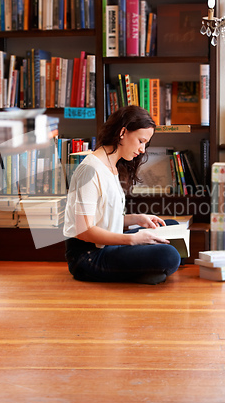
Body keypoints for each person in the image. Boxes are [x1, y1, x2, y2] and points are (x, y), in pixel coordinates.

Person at [63, 106, 181, 285]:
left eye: (145, 144)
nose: (142, 149)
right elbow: (84, 231)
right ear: (123, 132)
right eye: (141, 141)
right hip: (88, 257)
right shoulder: (89, 170)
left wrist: (136, 219)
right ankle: (146, 272)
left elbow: (103, 217)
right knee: (169, 255)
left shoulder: (112, 166)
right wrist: (133, 239)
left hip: (110, 244)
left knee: (171, 227)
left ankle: (145, 272)